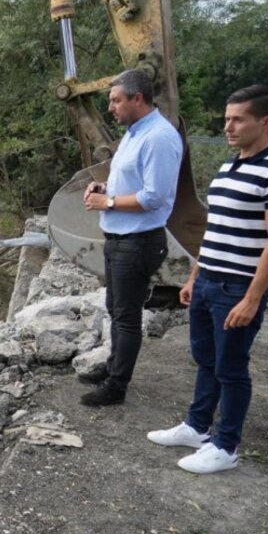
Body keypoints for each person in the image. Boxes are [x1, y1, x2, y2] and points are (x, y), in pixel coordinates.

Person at [147, 85, 268, 474]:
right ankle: (197, 427)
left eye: (238, 120)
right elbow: (214, 230)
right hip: (208, 280)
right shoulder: (231, 164)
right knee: (205, 359)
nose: (228, 127)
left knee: (231, 368)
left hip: (237, 286)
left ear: (265, 121)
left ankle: (226, 446)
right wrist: (194, 276)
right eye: (226, 118)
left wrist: (252, 298)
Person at [79, 69, 183, 407]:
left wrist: (106, 202)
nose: (110, 107)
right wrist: (105, 188)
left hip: (138, 242)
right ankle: (112, 368)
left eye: (115, 100)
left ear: (138, 98)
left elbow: (154, 197)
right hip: (120, 239)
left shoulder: (159, 138)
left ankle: (116, 387)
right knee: (115, 308)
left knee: (126, 317)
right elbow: (132, 182)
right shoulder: (134, 133)